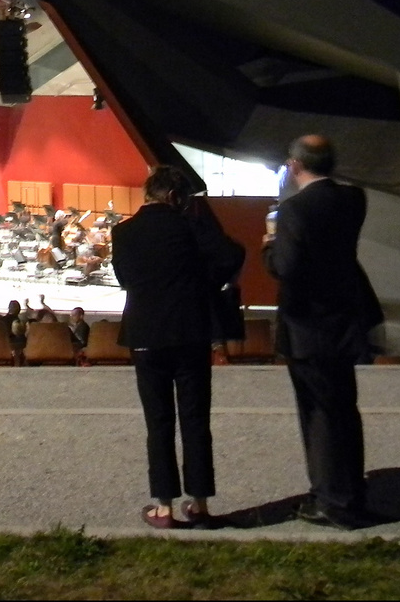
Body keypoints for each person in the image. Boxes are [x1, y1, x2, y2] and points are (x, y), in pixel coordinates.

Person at [112, 165, 244, 530]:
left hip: (145, 336)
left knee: (158, 423)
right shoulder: (192, 226)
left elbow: (124, 278)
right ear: (176, 196)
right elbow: (233, 254)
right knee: (195, 420)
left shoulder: (123, 231)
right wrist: (204, 284)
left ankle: (164, 508)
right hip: (191, 333)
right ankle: (199, 504)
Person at [263, 135, 384, 530]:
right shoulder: (354, 199)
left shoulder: (295, 209)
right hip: (344, 320)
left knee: (317, 415)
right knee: (344, 410)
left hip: (307, 324)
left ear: (295, 165)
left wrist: (269, 244)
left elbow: (287, 267)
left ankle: (333, 501)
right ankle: (347, 492)